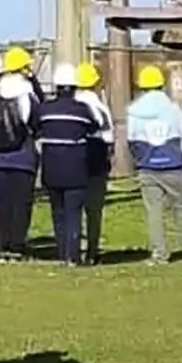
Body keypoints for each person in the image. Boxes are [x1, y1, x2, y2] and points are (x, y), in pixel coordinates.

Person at [128, 64, 182, 265]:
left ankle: (159, 254)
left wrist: (141, 160)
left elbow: (132, 142)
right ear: (161, 84)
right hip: (175, 166)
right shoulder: (173, 108)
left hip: (148, 167)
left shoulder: (135, 111)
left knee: (154, 213)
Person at [38, 64, 96, 265]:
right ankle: (73, 255)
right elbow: (94, 127)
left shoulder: (45, 109)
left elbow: (35, 128)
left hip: (51, 168)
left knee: (58, 213)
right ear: (74, 87)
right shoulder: (81, 110)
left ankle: (62, 253)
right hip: (76, 169)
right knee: (74, 213)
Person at [0, 46, 41, 260]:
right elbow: (37, 121)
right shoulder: (26, 93)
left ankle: (1, 245)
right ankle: (16, 247)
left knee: (3, 206)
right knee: (21, 205)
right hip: (22, 157)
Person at [74, 61, 115, 265]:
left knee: (72, 208)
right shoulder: (99, 106)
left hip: (74, 158)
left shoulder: (71, 104)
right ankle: (91, 250)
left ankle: (72, 249)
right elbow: (109, 137)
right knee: (94, 209)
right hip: (97, 158)